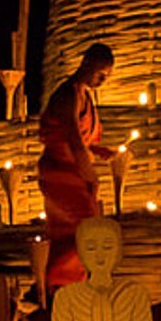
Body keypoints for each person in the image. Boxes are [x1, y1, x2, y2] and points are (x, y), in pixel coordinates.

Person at [36, 44, 116, 288]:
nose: (102, 81)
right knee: (78, 228)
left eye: (107, 77)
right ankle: (57, 284)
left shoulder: (85, 97)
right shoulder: (67, 94)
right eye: (101, 74)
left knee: (84, 228)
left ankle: (75, 282)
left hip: (74, 169)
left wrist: (98, 150)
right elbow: (71, 137)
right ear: (87, 64)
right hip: (61, 170)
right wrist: (90, 174)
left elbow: (82, 139)